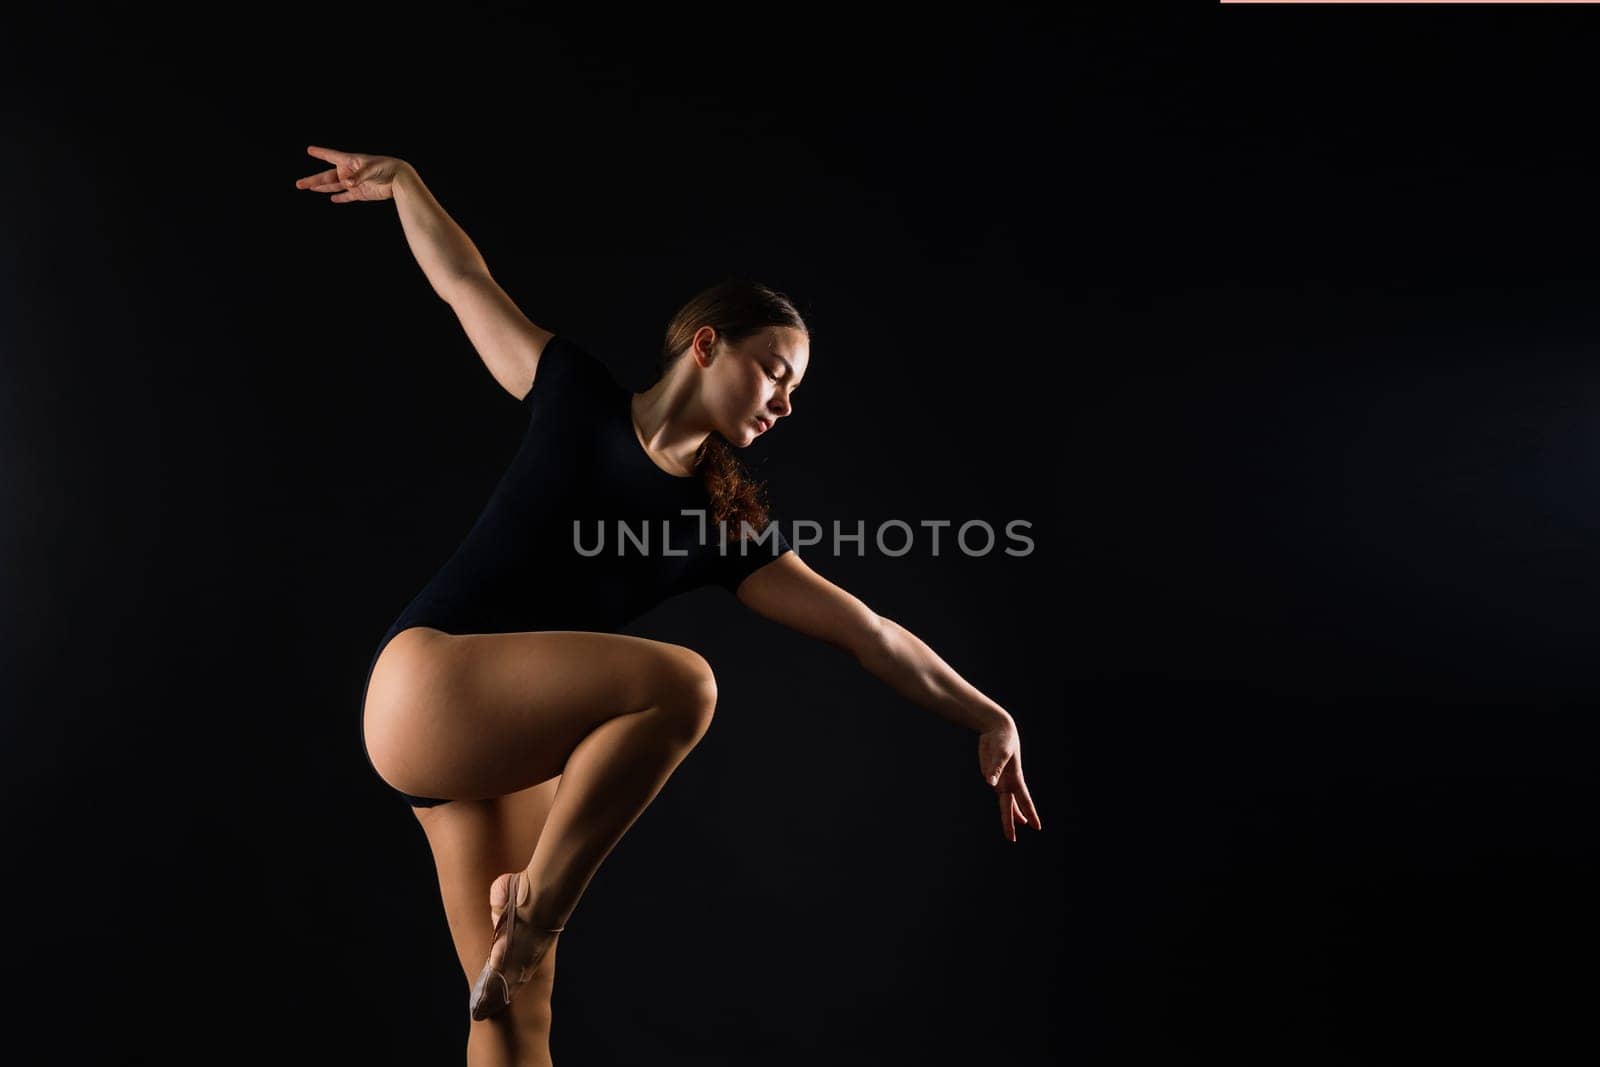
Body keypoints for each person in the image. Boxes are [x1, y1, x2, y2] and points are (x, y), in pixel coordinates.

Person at [295, 144, 1042, 1064]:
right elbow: (464, 281)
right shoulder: (573, 395)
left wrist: (989, 713)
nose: (786, 403)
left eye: (797, 390)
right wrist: (406, 182)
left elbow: (871, 633)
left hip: (490, 757)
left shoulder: (720, 528)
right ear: (706, 345)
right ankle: (533, 916)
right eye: (777, 373)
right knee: (681, 682)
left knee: (512, 1015)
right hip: (425, 678)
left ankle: (525, 932)